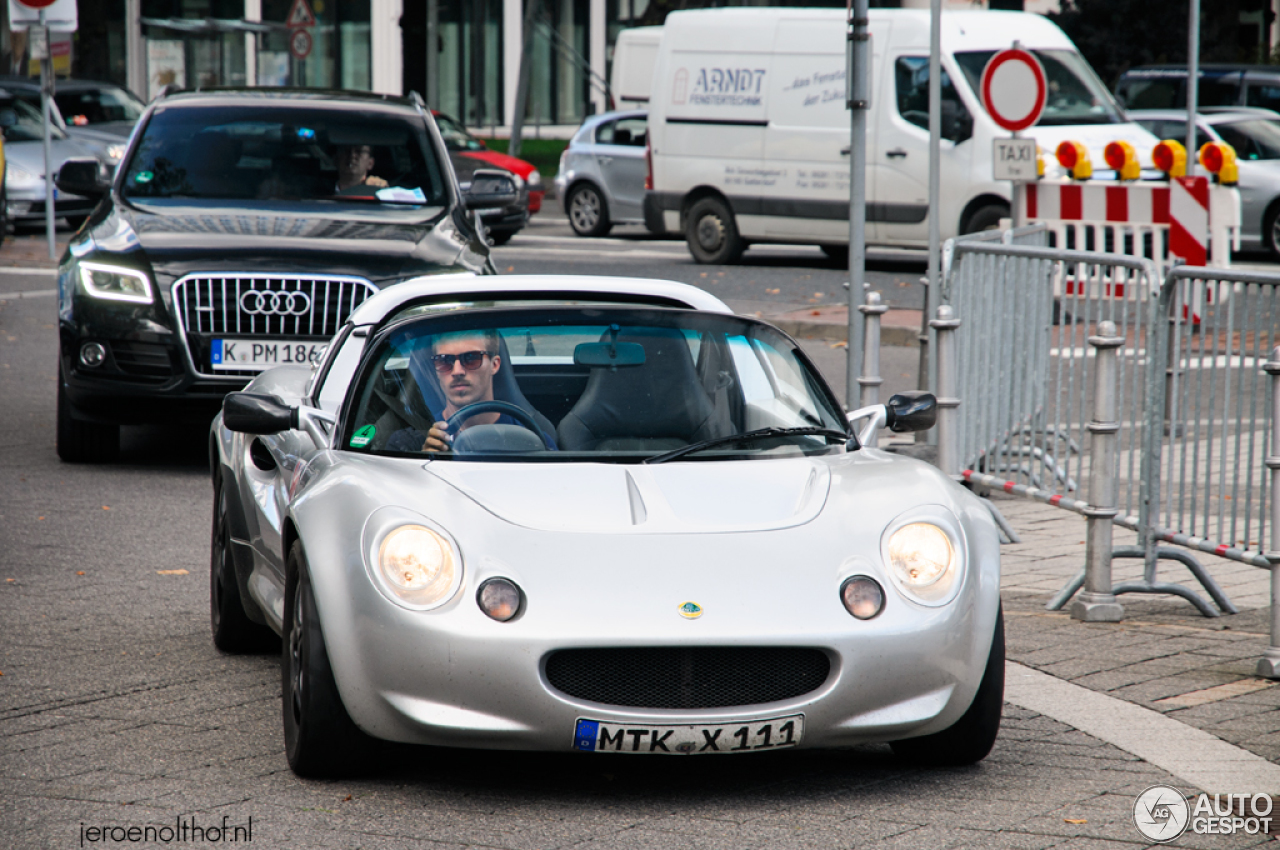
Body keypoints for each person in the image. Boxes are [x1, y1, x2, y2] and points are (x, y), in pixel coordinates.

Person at [385, 329, 555, 453]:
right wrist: (422, 464)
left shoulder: (534, 441)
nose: (457, 371)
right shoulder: (409, 444)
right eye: (444, 361)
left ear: (495, 365)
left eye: (472, 358)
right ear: (435, 369)